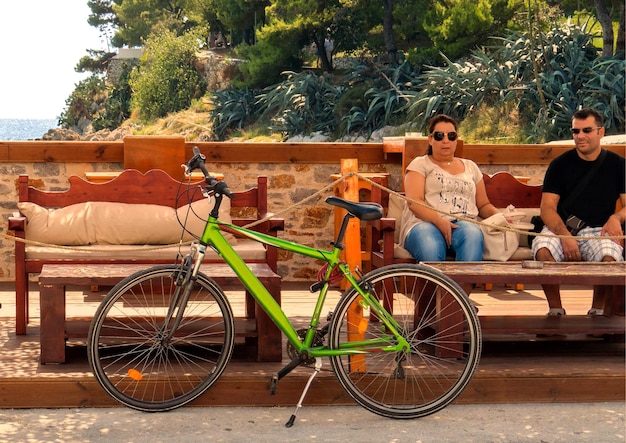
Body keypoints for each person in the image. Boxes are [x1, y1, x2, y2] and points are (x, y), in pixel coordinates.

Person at [532, 108, 625, 316]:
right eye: (575, 131)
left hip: (598, 229)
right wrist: (564, 235)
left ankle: (598, 310)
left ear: (600, 132)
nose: (580, 136)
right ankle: (555, 309)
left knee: (609, 256)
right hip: (563, 227)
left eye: (587, 130)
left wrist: (616, 217)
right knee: (543, 249)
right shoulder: (559, 165)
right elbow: (547, 208)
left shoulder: (618, 165)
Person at [399, 114, 500, 295]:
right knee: (431, 246)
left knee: (473, 235)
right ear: (430, 139)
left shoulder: (470, 167)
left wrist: (500, 217)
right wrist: (439, 221)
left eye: (451, 136)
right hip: (424, 223)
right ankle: (431, 307)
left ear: (456, 139)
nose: (445, 140)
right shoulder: (420, 164)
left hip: (463, 222)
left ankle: (457, 304)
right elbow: (415, 203)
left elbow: (483, 204)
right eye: (439, 136)